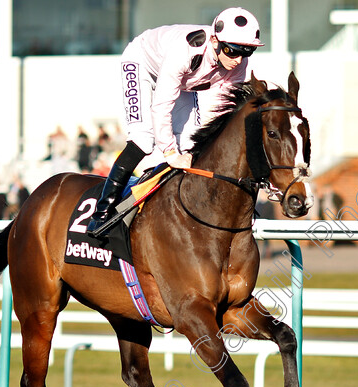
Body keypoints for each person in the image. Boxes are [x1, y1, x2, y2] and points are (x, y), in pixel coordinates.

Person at [86, 7, 264, 236]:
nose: (238, 59)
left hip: (182, 81)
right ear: (214, 40)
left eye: (247, 52)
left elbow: (220, 114)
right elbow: (161, 106)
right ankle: (102, 213)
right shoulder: (185, 51)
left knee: (191, 143)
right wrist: (170, 153)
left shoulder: (237, 65)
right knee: (143, 138)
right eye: (232, 51)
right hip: (142, 62)